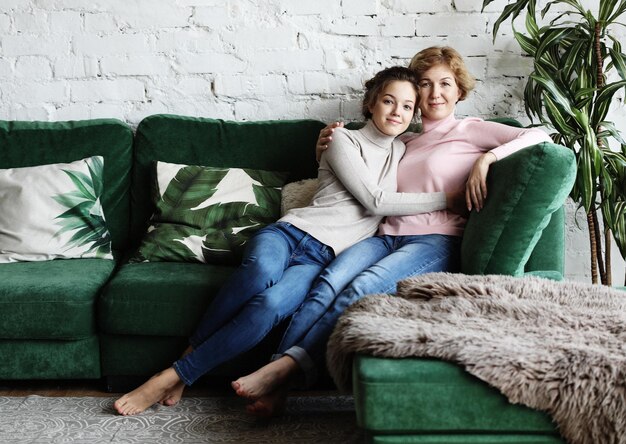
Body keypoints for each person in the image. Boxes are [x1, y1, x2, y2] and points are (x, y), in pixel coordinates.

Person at [113, 66, 466, 416]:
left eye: (407, 106)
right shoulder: (342, 139)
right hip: (290, 234)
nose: (397, 112)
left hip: (320, 260)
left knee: (269, 306)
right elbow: (375, 200)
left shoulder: (403, 149)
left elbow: (436, 152)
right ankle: (185, 362)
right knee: (259, 274)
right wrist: (448, 198)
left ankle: (175, 375)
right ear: (371, 103)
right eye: (389, 101)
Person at [231, 46, 552, 417]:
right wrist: (323, 147)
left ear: (459, 91)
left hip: (434, 239)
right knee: (327, 282)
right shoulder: (402, 141)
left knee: (362, 288)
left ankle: (283, 370)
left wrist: (488, 157)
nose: (435, 93)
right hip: (384, 236)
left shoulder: (471, 129)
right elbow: (361, 177)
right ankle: (280, 381)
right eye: (426, 85)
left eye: (445, 84)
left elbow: (542, 134)